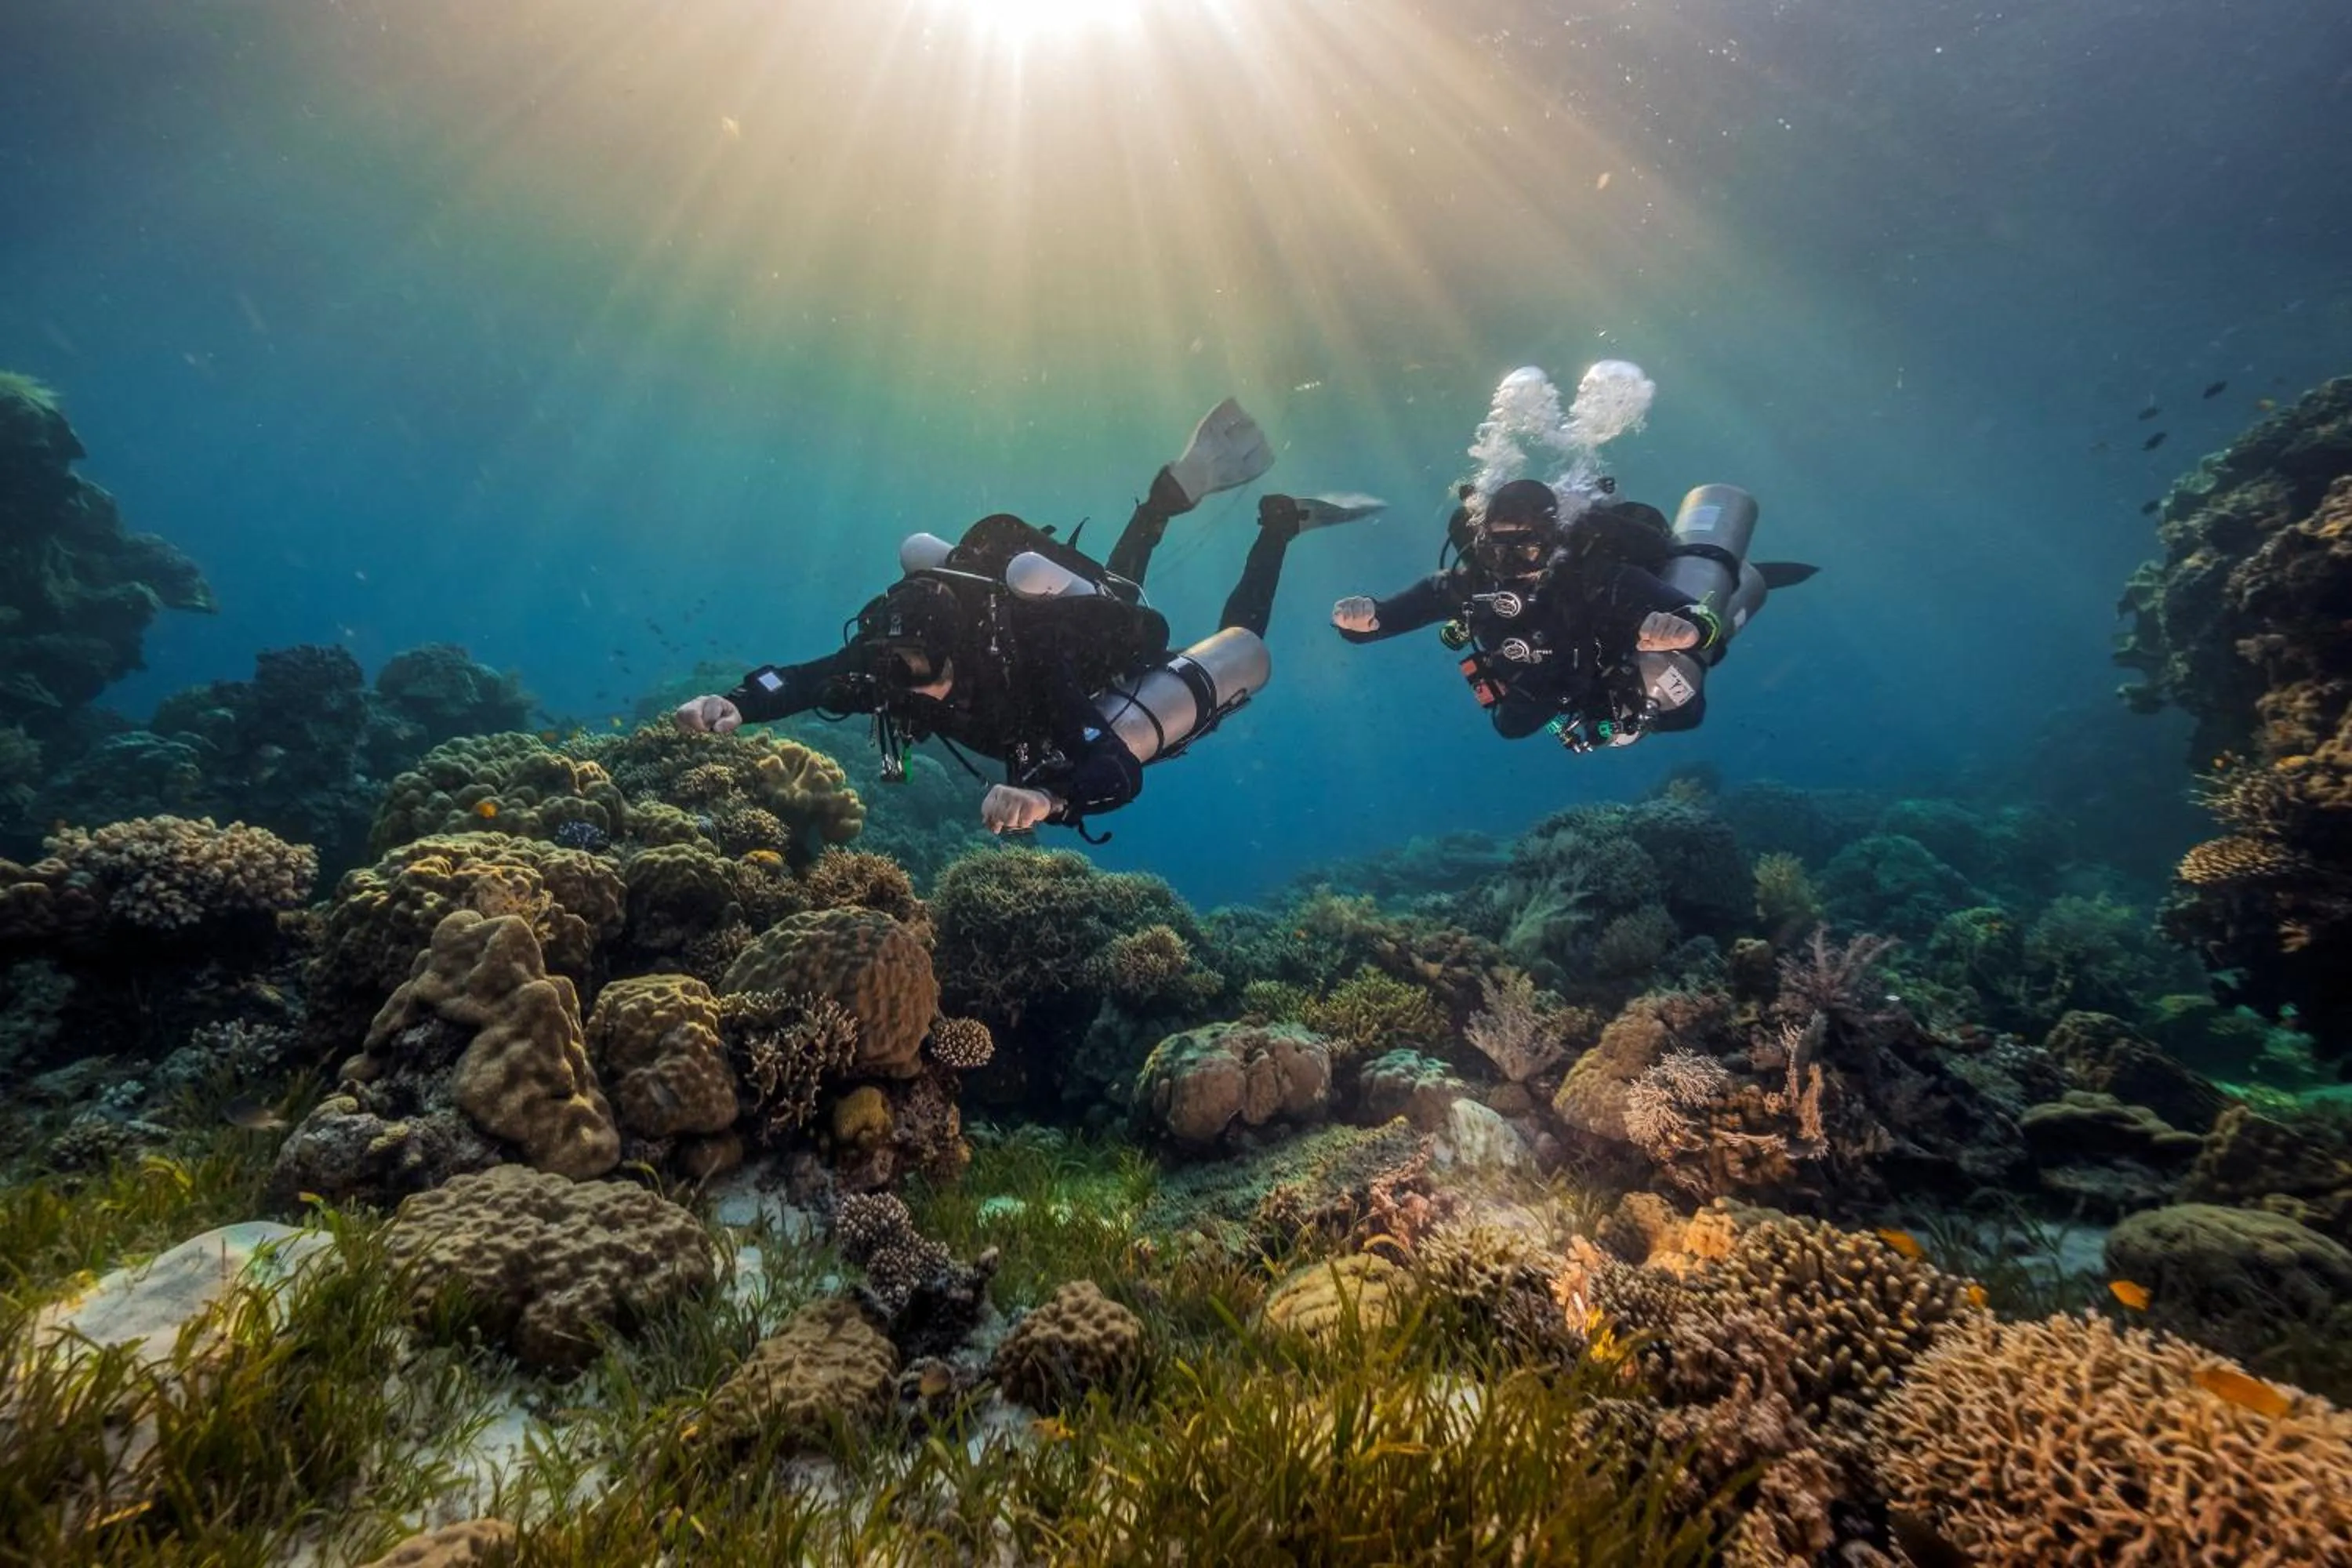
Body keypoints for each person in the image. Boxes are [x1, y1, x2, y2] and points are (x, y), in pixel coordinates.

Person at [676, 399, 1381, 834]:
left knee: (1229, 642)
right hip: (1074, 612)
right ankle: (1160, 504)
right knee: (1110, 591)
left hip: (1093, 659)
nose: (903, 682)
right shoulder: (886, 663)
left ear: (956, 645)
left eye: (917, 667)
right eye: (893, 667)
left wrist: (1048, 798)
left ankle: (1277, 528)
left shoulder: (1028, 662)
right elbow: (805, 680)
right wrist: (735, 703)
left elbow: (1113, 771)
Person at [1330, 477, 1812, 750]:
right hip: (1546, 687)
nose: (1510, 564)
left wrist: (1686, 631)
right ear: (1481, 543)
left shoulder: (1598, 577)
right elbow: (1390, 617)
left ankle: (1746, 583)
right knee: (1510, 727)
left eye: (1527, 548)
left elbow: (1695, 619)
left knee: (1683, 714)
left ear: (1553, 540)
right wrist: (1362, 620)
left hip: (1609, 681)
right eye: (1498, 550)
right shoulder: (1468, 584)